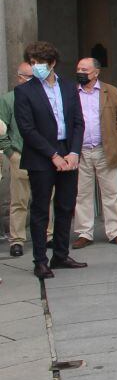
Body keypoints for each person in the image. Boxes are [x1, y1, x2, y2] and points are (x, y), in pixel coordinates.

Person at [14, 41, 85, 279]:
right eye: (33, 63)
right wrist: (52, 155)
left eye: (40, 63)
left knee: (66, 205)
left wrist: (74, 152)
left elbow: (78, 122)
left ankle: (61, 254)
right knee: (41, 208)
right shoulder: (24, 91)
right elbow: (27, 128)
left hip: (67, 150)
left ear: (52, 63)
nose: (36, 67)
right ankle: (40, 260)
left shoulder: (68, 87)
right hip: (41, 154)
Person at [71, 57, 117, 248]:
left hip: (105, 150)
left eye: (85, 70)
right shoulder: (71, 93)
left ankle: (115, 231)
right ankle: (84, 233)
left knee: (111, 192)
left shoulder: (111, 92)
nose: (80, 72)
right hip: (81, 151)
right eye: (79, 69)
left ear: (96, 72)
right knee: (82, 194)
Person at [0, 62, 49, 258]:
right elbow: (1, 127)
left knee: (47, 198)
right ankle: (17, 239)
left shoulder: (44, 96)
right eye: (27, 77)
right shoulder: (8, 99)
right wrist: (10, 152)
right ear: (19, 78)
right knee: (19, 200)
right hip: (19, 154)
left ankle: (48, 235)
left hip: (43, 155)